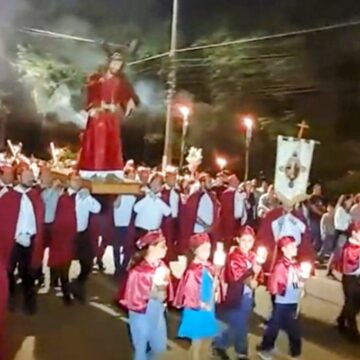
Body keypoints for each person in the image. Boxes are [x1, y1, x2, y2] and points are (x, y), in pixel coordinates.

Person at [78, 51, 139, 177]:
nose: (116, 66)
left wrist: (130, 102)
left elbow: (128, 95)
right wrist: (95, 107)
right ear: (109, 63)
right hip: (98, 117)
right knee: (96, 145)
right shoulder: (96, 78)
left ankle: (111, 173)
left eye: (119, 64)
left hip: (111, 119)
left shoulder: (121, 81)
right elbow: (89, 95)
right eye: (115, 63)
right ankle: (92, 171)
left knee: (111, 146)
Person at [119, 230, 172, 360]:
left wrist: (163, 294)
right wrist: (153, 293)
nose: (166, 248)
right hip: (141, 315)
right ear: (151, 247)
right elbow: (133, 298)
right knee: (141, 348)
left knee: (159, 347)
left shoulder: (161, 266)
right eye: (162, 245)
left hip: (157, 312)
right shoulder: (138, 272)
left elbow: (166, 292)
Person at [50, 172, 101, 304]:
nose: (77, 183)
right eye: (74, 180)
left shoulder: (83, 196)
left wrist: (88, 197)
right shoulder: (62, 195)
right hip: (66, 234)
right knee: (65, 263)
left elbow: (97, 209)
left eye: (79, 180)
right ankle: (66, 290)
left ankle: (78, 284)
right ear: (68, 181)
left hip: (81, 234)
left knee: (87, 263)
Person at [213, 226, 263, 360]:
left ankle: (220, 344)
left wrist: (257, 279)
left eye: (250, 241)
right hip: (236, 295)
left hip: (247, 297)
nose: (247, 244)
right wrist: (251, 272)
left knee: (239, 324)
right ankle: (241, 352)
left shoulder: (253, 256)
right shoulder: (233, 256)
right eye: (244, 240)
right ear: (238, 240)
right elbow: (236, 275)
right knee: (240, 325)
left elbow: (259, 274)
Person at [257, 236, 308, 360]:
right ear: (284, 249)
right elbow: (278, 286)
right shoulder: (281, 266)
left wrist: (301, 286)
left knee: (280, 327)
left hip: (292, 301)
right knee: (285, 328)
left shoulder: (295, 264)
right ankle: (269, 349)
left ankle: (269, 348)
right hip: (283, 303)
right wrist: (297, 286)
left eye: (295, 246)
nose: (295, 248)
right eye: (292, 246)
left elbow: (295, 281)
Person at [174, 233, 220, 360]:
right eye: (204, 249)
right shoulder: (192, 271)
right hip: (197, 309)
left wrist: (216, 287)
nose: (207, 252)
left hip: (208, 307)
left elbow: (212, 286)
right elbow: (189, 293)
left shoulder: (209, 266)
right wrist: (201, 304)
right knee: (197, 343)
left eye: (209, 249)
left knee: (207, 339)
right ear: (195, 250)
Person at [8, 166, 44, 314]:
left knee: (28, 272)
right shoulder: (9, 196)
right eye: (27, 175)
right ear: (18, 177)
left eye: (32, 175)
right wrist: (16, 235)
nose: (31, 178)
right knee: (8, 270)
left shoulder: (35, 195)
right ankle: (10, 297)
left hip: (30, 240)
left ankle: (30, 303)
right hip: (13, 241)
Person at [179, 172, 220, 252]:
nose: (211, 184)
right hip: (198, 230)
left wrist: (212, 226)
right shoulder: (195, 196)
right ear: (202, 183)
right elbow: (192, 214)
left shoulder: (212, 196)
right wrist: (205, 226)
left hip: (209, 231)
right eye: (209, 182)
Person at [336, 221, 360, 341]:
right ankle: (353, 333)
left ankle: (341, 318)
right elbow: (350, 265)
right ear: (354, 233)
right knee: (351, 303)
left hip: (358, 279)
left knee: (356, 303)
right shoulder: (348, 247)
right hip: (350, 279)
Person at [113, 171, 137, 276]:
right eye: (129, 178)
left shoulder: (135, 192)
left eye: (133, 178)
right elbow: (115, 205)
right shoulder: (119, 191)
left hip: (129, 224)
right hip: (118, 223)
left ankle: (124, 267)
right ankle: (117, 267)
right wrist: (121, 192)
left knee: (128, 247)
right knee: (116, 246)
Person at [134, 173, 171, 238]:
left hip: (154, 231)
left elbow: (167, 212)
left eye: (158, 184)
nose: (155, 186)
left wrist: (156, 199)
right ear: (150, 183)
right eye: (154, 183)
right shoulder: (142, 194)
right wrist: (148, 197)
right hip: (140, 229)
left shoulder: (163, 198)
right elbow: (135, 209)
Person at [327, 195, 353, 279]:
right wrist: (348, 223)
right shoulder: (341, 210)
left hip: (344, 233)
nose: (351, 202)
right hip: (341, 232)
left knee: (339, 253)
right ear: (345, 201)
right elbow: (341, 223)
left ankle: (332, 270)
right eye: (349, 201)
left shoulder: (345, 211)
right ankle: (329, 270)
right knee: (336, 253)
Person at [219, 174, 247, 245]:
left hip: (235, 222)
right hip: (231, 223)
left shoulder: (234, 193)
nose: (238, 182)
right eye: (236, 181)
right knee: (229, 242)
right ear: (232, 182)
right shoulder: (230, 193)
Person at [161, 167, 180, 260]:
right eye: (172, 177)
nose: (174, 180)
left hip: (175, 220)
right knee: (166, 242)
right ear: (166, 178)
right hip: (165, 220)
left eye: (175, 178)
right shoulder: (162, 191)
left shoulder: (178, 191)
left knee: (173, 241)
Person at [308, 184, 325, 252]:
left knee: (319, 235)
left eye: (320, 189)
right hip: (313, 219)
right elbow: (312, 208)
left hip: (321, 219)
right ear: (314, 189)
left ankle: (317, 251)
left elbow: (324, 207)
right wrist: (321, 213)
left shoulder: (321, 198)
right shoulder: (311, 198)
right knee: (315, 234)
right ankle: (312, 250)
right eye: (318, 189)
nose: (319, 190)